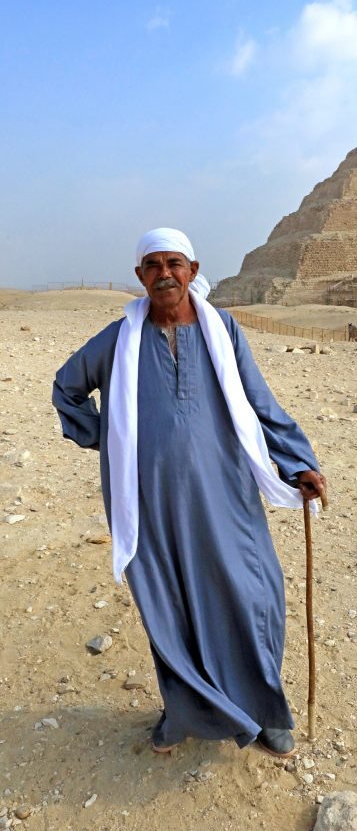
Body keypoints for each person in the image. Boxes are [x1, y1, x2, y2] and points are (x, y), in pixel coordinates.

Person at [53, 228, 326, 757]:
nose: (164, 273)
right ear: (140, 276)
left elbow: (258, 401)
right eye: (152, 265)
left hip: (226, 493)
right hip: (149, 502)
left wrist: (298, 463)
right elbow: (66, 388)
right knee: (169, 606)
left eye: (174, 263)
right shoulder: (119, 338)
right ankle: (183, 713)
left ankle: (265, 712)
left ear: (193, 271)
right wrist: (107, 436)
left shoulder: (223, 329)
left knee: (251, 593)